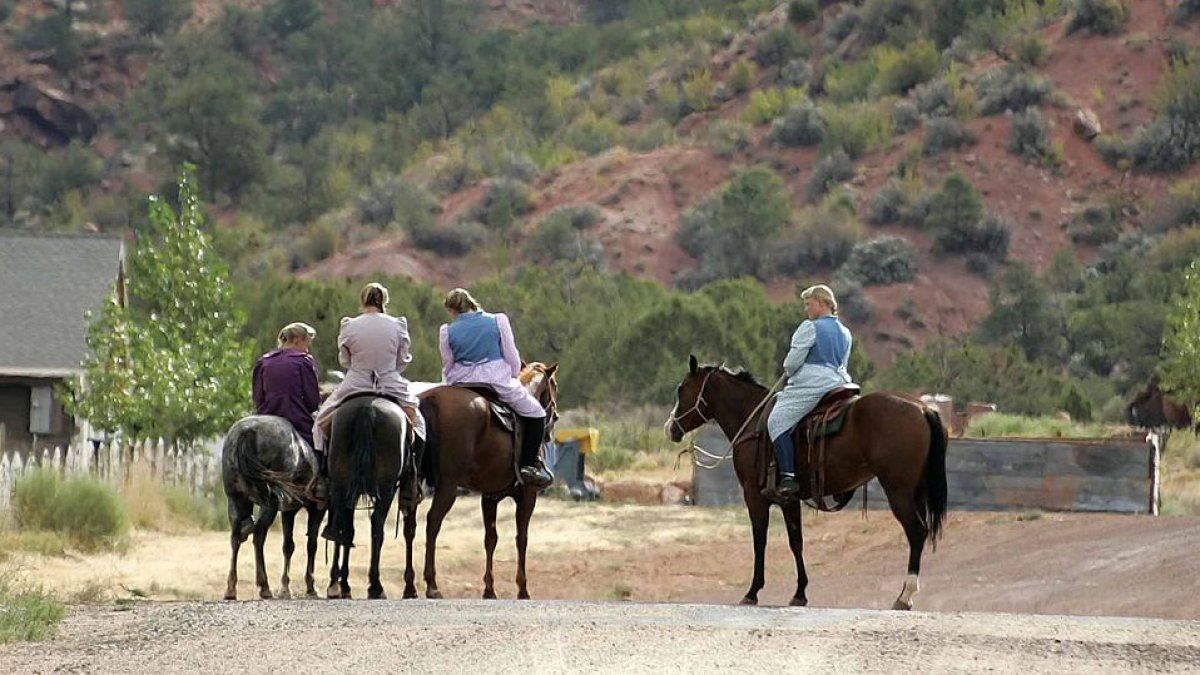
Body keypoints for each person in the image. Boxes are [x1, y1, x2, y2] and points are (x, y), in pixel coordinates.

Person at [312, 283, 426, 504]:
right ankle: (411, 479)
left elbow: (344, 360)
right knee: (419, 425)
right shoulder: (398, 324)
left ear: (363, 300)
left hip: (356, 382)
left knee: (319, 425)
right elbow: (403, 360)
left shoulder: (349, 324)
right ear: (384, 300)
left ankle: (323, 477)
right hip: (391, 382)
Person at [439, 287, 553, 488]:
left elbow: (448, 365)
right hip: (494, 380)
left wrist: (448, 383)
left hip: (461, 382)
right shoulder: (498, 320)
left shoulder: (446, 331)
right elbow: (511, 356)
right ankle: (528, 466)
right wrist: (513, 373)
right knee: (536, 413)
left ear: (452, 310)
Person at [766, 284, 854, 498]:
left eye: (808, 303)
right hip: (840, 382)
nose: (806, 309)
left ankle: (788, 475)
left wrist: (788, 369)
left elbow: (793, 362)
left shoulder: (810, 327)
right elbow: (843, 362)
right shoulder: (845, 331)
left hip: (814, 383)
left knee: (776, 421)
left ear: (822, 302)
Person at [252, 322, 323, 500]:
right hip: (295, 416)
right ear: (299, 340)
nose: (308, 348)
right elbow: (313, 402)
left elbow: (258, 398)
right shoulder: (303, 361)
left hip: (265, 416)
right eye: (307, 343)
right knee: (322, 441)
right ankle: (321, 484)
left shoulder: (263, 361)